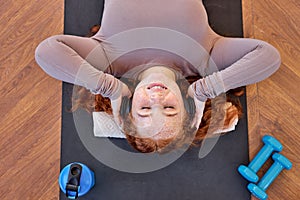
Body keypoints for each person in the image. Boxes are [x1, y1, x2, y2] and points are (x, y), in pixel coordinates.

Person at [35, 0, 281, 153]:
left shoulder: (110, 61)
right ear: (186, 105)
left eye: (144, 109)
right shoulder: (204, 58)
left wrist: (109, 88)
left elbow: (47, 51)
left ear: (129, 107)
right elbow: (268, 56)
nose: (156, 97)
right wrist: (206, 90)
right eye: (170, 108)